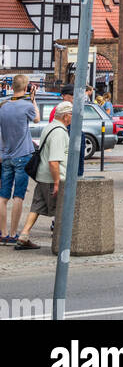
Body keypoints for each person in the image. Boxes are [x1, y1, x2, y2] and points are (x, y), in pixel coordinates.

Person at [16, 101, 73, 250]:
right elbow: (54, 161)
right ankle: (61, 243)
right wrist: (56, 182)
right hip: (51, 178)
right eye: (72, 115)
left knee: (37, 207)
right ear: (66, 116)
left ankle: (24, 235)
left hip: (42, 175)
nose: (73, 118)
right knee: (61, 210)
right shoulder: (59, 132)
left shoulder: (49, 127)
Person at [0, 74, 38, 245]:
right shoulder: (27, 106)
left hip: (6, 155)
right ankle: (14, 233)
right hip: (22, 155)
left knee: (3, 196)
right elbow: (36, 118)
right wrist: (33, 99)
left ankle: (3, 232)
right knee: (18, 196)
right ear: (27, 87)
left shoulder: (3, 106)